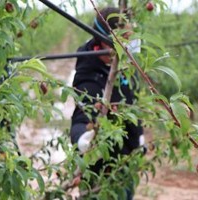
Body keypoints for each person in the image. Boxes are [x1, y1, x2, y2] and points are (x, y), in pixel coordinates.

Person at [70, 7, 144, 199]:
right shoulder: (89, 76)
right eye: (124, 39)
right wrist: (82, 139)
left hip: (125, 164)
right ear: (105, 41)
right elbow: (80, 118)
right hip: (100, 172)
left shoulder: (126, 66)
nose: (130, 44)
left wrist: (139, 134)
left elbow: (132, 100)